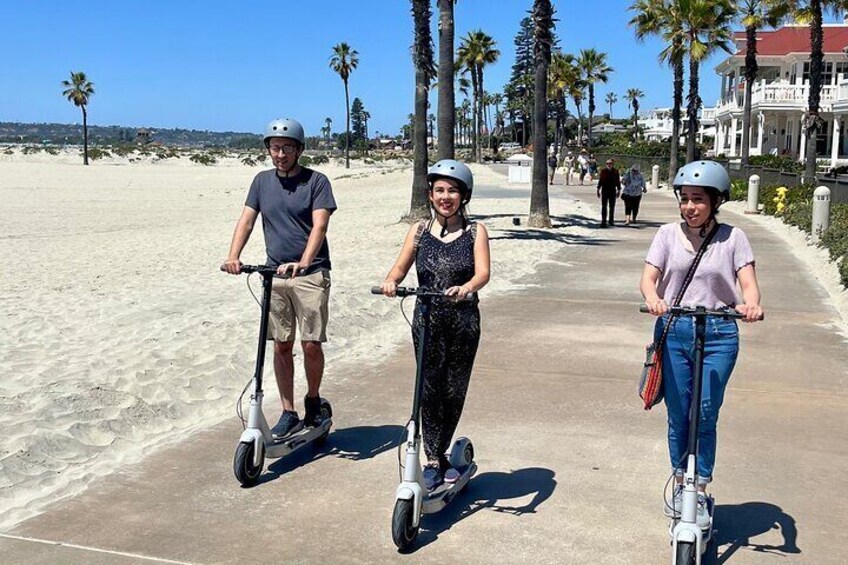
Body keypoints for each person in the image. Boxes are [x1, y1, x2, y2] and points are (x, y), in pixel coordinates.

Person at [640, 160, 763, 528]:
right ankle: (681, 484)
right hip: (674, 328)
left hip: (719, 331)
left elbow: (748, 281)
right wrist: (653, 298)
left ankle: (702, 488)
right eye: (685, 199)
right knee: (679, 415)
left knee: (705, 413)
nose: (690, 207)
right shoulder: (665, 235)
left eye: (698, 199)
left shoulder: (733, 238)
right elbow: (649, 278)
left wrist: (751, 304)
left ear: (716, 201)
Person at [222, 118, 337, 439]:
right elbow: (246, 221)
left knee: (311, 343)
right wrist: (234, 256)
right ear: (268, 151)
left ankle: (313, 400)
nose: (281, 154)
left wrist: (303, 262)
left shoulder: (316, 182)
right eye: (275, 148)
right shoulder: (261, 182)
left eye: (287, 148)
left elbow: (320, 226)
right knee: (281, 345)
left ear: (299, 150)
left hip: (311, 273)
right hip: (274, 274)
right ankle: (288, 411)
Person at [380, 159, 491, 491]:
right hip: (427, 318)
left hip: (463, 320)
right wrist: (390, 281)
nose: (446, 197)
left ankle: (442, 451)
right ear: (430, 195)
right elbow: (399, 268)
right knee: (428, 388)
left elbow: (483, 273)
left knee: (453, 388)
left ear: (464, 196)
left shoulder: (476, 231)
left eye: (452, 191)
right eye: (439, 190)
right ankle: (432, 459)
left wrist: (466, 288)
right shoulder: (418, 231)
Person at [596, 158, 621, 227]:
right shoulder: (603, 171)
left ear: (612, 164)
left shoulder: (615, 171)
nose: (608, 165)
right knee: (604, 206)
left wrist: (619, 190)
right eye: (607, 163)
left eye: (610, 163)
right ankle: (603, 221)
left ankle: (611, 221)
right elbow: (600, 181)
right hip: (604, 190)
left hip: (612, 191)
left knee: (612, 207)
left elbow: (617, 181)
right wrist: (598, 189)